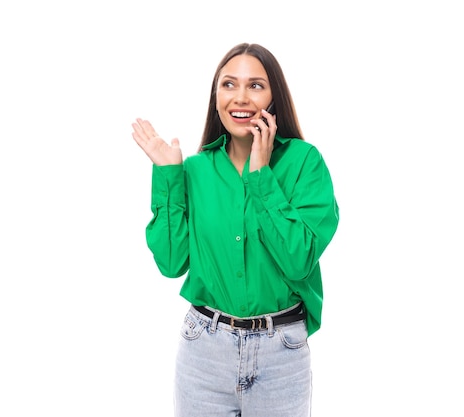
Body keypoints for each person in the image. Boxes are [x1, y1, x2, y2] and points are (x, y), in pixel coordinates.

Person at [131, 42, 339, 417]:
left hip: (281, 355)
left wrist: (261, 175)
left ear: (275, 97)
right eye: (229, 85)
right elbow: (170, 262)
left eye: (255, 85)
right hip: (203, 354)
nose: (240, 97)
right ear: (216, 98)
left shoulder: (305, 163)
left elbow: (298, 259)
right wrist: (169, 176)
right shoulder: (195, 170)